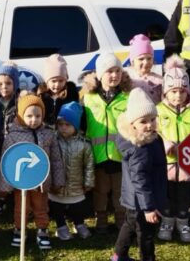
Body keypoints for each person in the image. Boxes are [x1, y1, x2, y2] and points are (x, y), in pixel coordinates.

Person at [0, 92, 65, 251]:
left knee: (41, 207)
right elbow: (7, 161)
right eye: (29, 115)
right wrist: (4, 187)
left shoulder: (49, 134)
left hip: (41, 181)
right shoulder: (13, 136)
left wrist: (58, 180)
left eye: (37, 115)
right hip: (21, 182)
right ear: (21, 115)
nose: (33, 119)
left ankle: (42, 232)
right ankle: (19, 231)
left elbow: (55, 159)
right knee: (21, 208)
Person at [155, 55, 190, 243]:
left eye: (182, 91)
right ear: (165, 92)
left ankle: (183, 223)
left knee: (184, 196)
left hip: (187, 166)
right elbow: (154, 133)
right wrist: (165, 144)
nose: (178, 95)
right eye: (173, 91)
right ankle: (167, 222)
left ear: (187, 92)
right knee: (167, 196)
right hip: (166, 166)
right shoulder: (159, 111)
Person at [113, 88, 167, 261]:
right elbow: (140, 179)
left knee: (129, 224)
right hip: (142, 200)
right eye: (143, 121)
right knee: (145, 233)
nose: (150, 124)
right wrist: (149, 207)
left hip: (134, 198)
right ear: (132, 124)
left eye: (152, 119)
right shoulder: (140, 147)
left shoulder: (151, 138)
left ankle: (119, 255)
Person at [81, 53, 131, 232]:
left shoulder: (127, 97)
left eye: (117, 71)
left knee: (120, 191)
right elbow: (83, 125)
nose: (114, 75)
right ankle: (101, 220)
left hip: (120, 154)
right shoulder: (88, 98)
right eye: (109, 71)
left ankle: (120, 220)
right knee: (100, 191)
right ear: (100, 74)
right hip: (98, 155)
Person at [50, 101, 94, 241]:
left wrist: (88, 182)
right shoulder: (53, 141)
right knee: (56, 206)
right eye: (60, 124)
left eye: (67, 125)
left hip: (76, 184)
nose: (63, 128)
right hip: (57, 184)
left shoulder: (84, 144)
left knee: (78, 206)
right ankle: (61, 226)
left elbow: (89, 165)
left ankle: (79, 224)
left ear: (75, 126)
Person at [0, 62, 20, 214]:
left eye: (8, 83)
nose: (4, 87)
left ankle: (17, 199)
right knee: (1, 171)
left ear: (15, 83)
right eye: (0, 84)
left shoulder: (20, 100)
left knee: (15, 168)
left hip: (15, 142)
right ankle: (1, 199)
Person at [37, 54, 80, 125]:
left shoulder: (71, 94)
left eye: (61, 81)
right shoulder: (40, 94)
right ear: (47, 81)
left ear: (65, 80)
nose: (57, 84)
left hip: (64, 131)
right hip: (45, 132)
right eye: (53, 81)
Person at [127, 34, 163, 104]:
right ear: (132, 61)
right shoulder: (128, 80)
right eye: (141, 59)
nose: (146, 62)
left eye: (149, 58)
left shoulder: (160, 80)